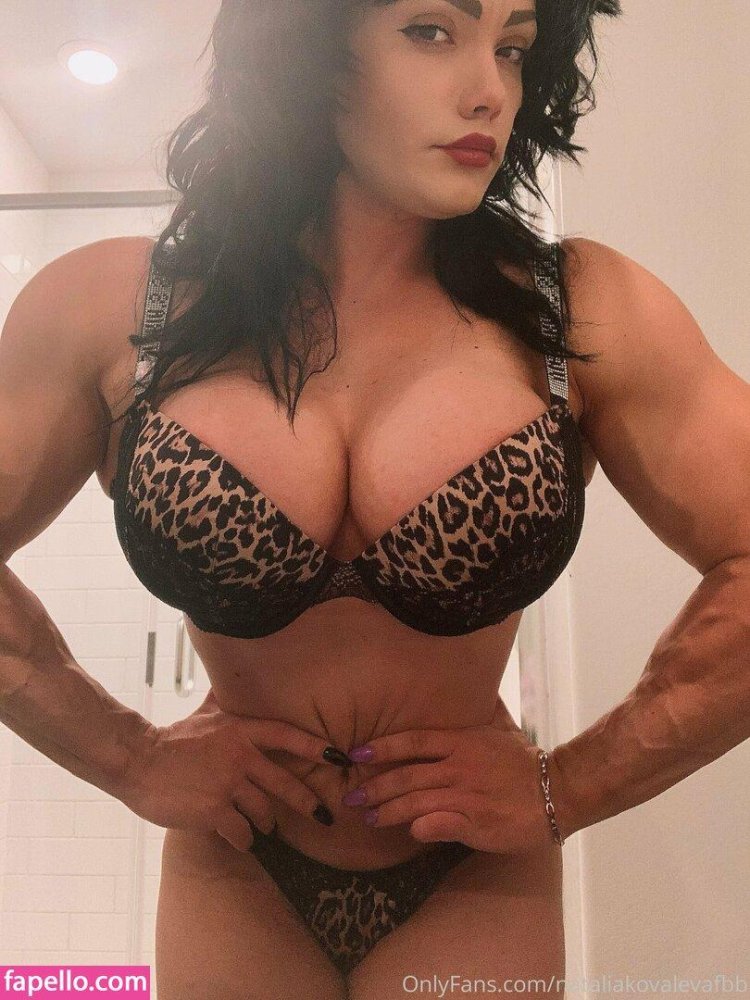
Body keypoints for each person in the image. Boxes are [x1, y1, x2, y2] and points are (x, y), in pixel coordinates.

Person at [1, 1, 748, 998]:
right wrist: (127, 756)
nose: (489, 89)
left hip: (471, 872)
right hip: (241, 860)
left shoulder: (582, 310)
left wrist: (571, 783)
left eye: (514, 48)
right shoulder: (115, 308)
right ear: (306, 48)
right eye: (432, 31)